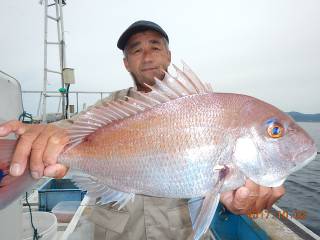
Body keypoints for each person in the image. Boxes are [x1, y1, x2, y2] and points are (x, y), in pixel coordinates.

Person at [0, 20, 285, 239]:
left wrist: (236, 196)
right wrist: (44, 136)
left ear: (169, 55)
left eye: (155, 46)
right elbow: (70, 129)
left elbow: (216, 188)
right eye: (136, 50)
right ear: (126, 63)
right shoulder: (109, 107)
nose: (147, 56)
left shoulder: (202, 107)